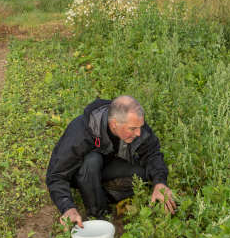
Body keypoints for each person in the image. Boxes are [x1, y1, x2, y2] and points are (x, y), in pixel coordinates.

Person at [46, 95, 176, 228]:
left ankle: (100, 192)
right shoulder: (80, 133)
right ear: (114, 124)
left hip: (107, 165)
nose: (138, 133)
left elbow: (152, 154)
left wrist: (160, 182)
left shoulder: (134, 122)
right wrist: (67, 207)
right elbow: (55, 176)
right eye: (132, 129)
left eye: (140, 127)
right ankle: (98, 215)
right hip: (84, 171)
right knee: (92, 161)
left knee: (142, 173)